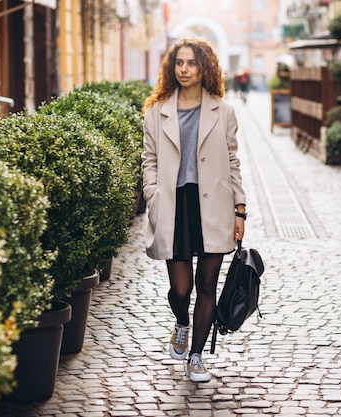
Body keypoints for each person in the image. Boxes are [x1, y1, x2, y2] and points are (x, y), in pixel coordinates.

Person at [141, 37, 247, 382]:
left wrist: (239, 210)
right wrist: (152, 192)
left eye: (191, 63)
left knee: (206, 284)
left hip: (213, 205)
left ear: (205, 68)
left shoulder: (223, 110)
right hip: (174, 204)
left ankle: (197, 357)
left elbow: (233, 161)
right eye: (179, 63)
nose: (184, 69)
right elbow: (150, 160)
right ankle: (181, 323)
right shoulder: (157, 111)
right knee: (181, 289)